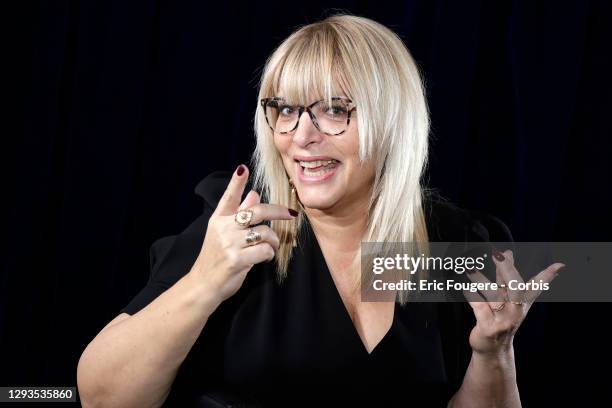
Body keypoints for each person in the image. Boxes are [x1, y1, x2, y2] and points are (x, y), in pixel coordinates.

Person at [77, 14, 563, 407]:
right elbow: (102, 397)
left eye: (334, 110)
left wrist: (493, 353)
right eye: (284, 109)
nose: (301, 135)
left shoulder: (454, 245)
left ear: (391, 122)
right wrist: (204, 282)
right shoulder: (240, 226)